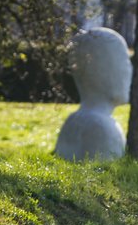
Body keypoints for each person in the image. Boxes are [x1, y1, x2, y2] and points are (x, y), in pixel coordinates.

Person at [54, 27, 132, 161]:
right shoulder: (103, 128)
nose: (129, 71)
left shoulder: (74, 119)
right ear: (100, 71)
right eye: (124, 62)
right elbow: (106, 179)